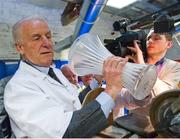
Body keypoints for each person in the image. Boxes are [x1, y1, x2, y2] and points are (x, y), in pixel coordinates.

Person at [4, 15, 135, 138]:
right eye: (37, 38)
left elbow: (73, 103)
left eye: (48, 36)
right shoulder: (18, 89)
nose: (47, 43)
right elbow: (66, 133)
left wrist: (96, 81)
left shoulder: (55, 72)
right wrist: (111, 90)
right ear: (20, 47)